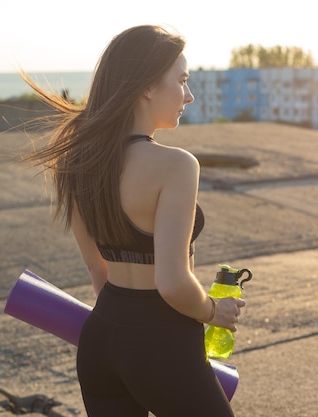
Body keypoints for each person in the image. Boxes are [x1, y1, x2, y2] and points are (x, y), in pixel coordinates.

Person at [20, 24, 246, 417]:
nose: (188, 95)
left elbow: (98, 271)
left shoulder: (77, 160)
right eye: (182, 80)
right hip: (162, 340)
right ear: (146, 86)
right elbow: (173, 283)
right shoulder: (176, 165)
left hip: (102, 340)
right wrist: (214, 311)